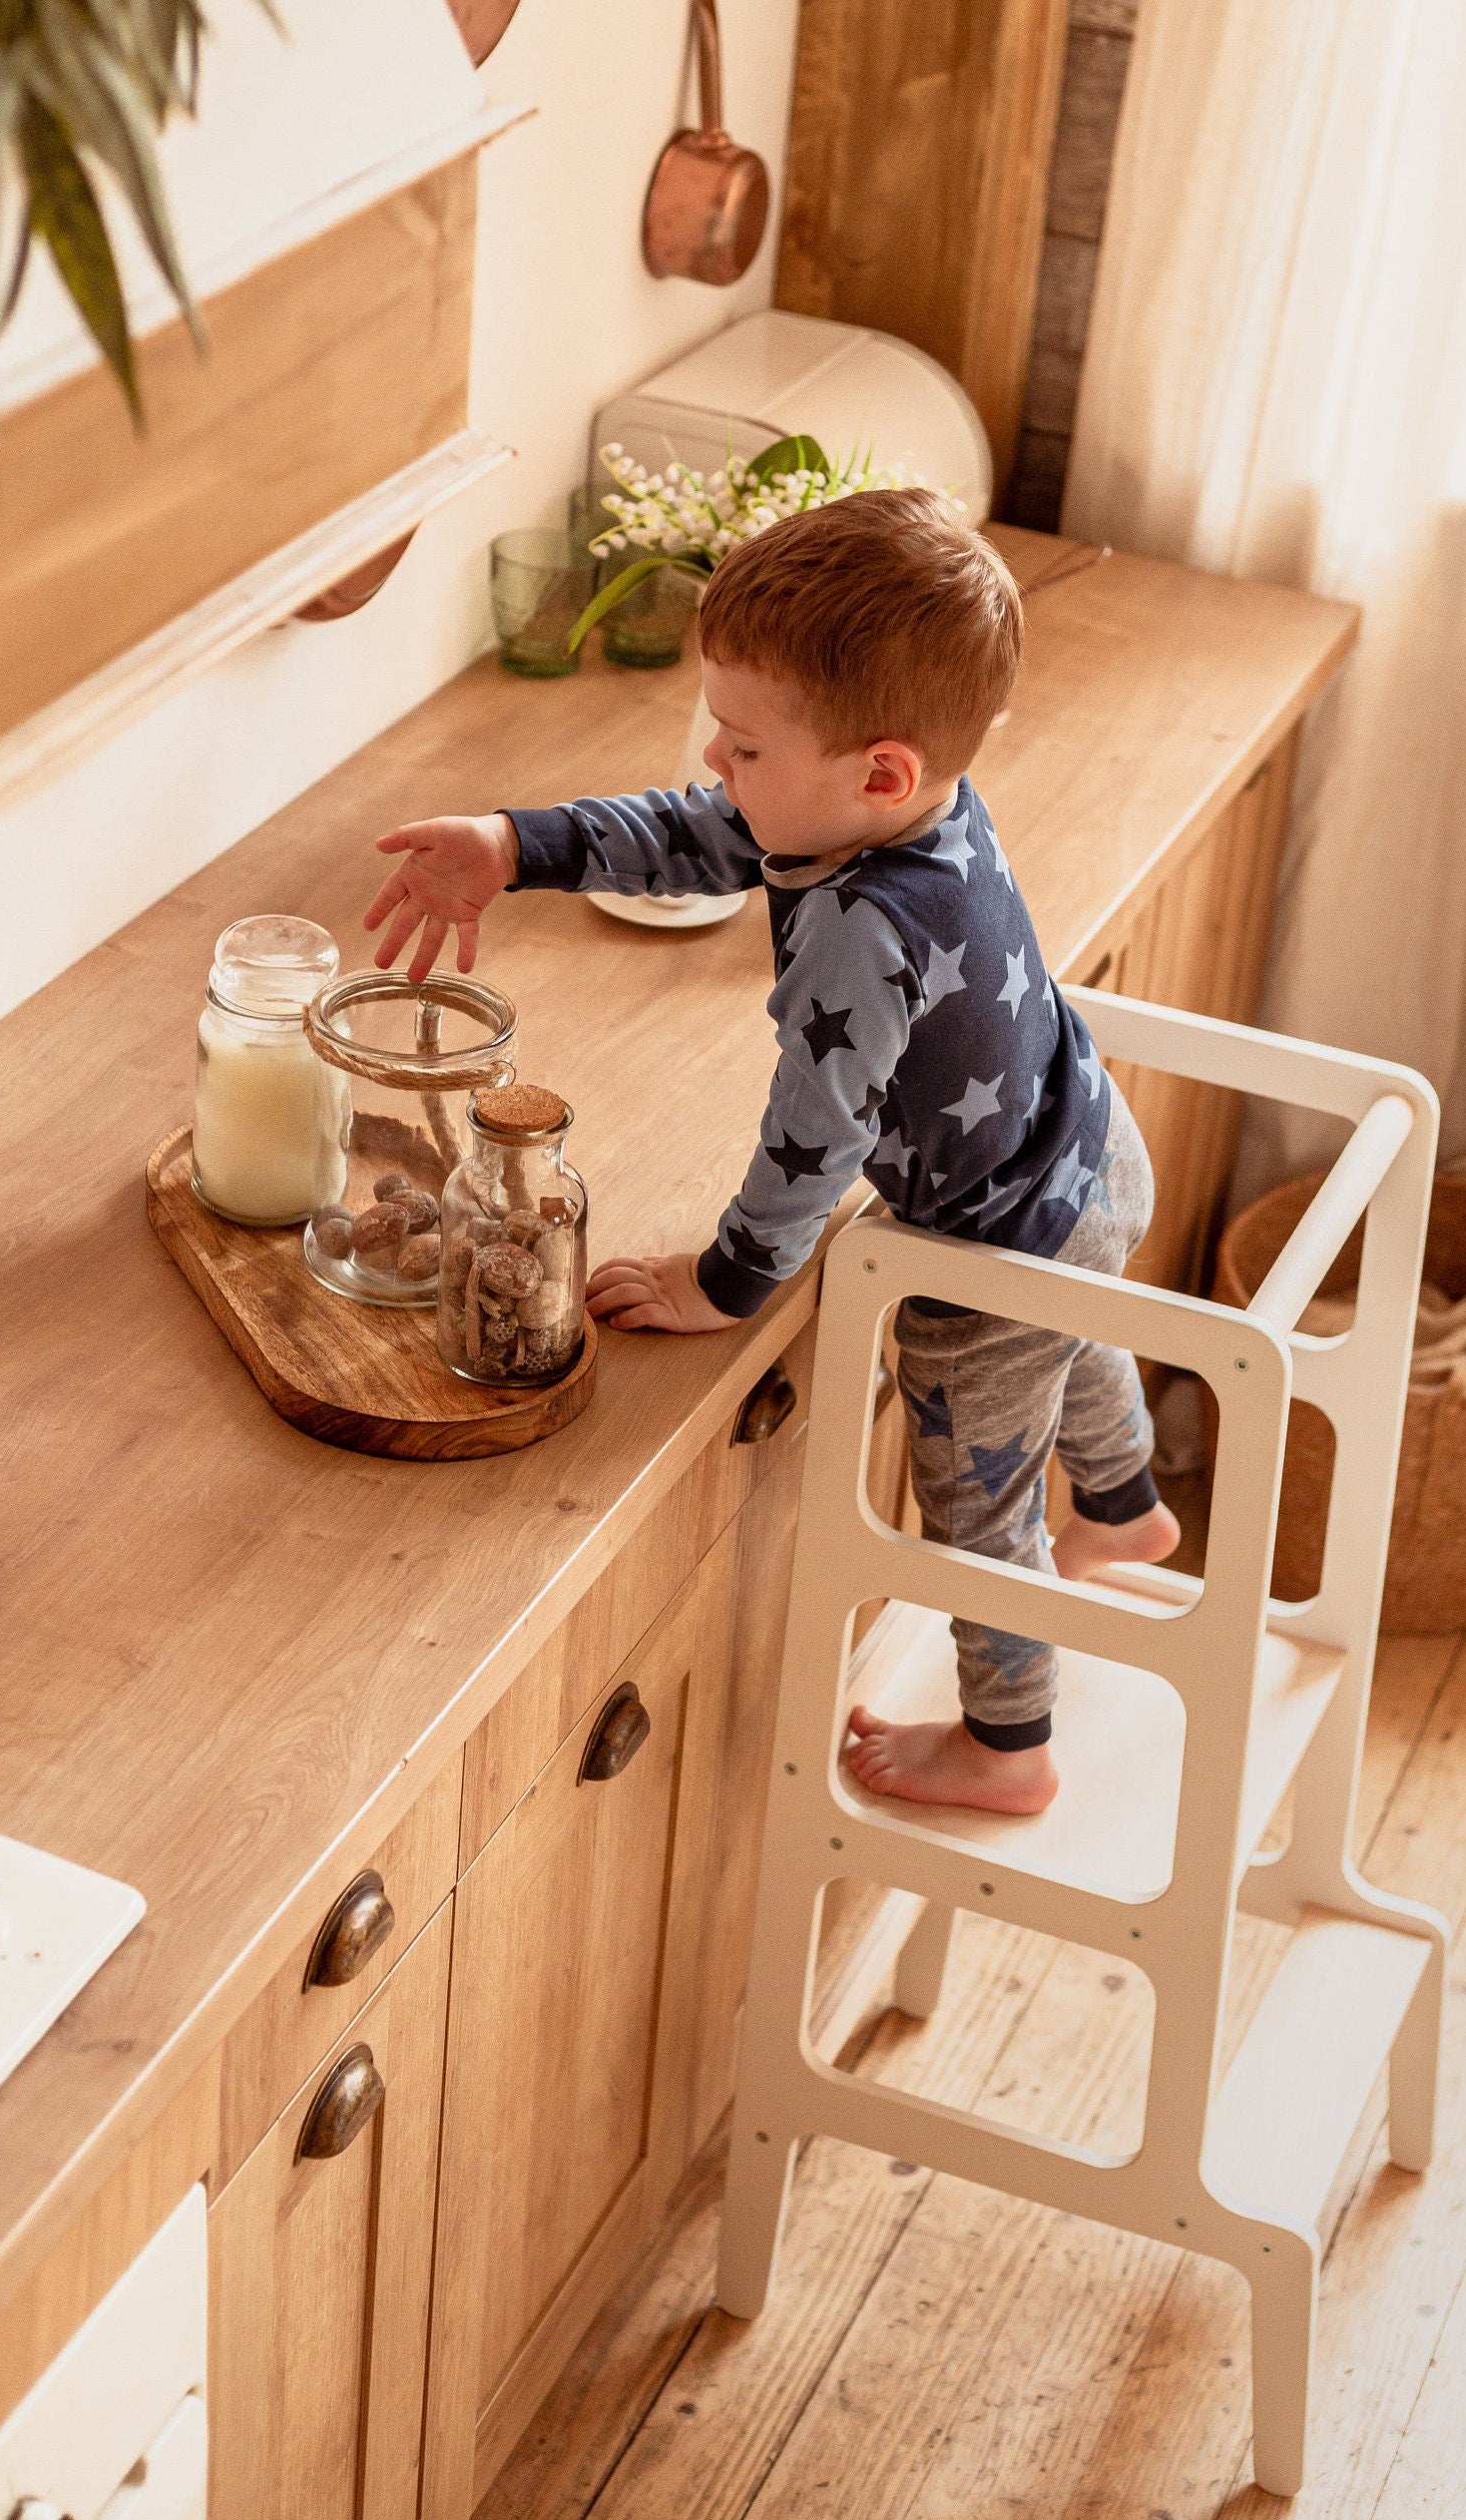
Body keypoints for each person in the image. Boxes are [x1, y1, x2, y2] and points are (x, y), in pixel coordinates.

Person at [363, 488, 1177, 1814]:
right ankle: (1128, 1496)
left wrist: (726, 1282)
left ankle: (1008, 1744)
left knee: (979, 1499)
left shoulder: (861, 922)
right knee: (1079, 1326)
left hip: (991, 1251)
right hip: (1082, 1148)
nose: (717, 767)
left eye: (741, 745)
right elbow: (699, 828)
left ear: (876, 771)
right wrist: (513, 847)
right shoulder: (910, 808)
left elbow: (815, 1139)